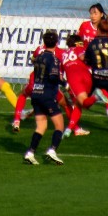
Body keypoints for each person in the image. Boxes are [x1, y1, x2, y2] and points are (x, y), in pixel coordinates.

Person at [22, 30, 65, 166]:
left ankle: (30, 152)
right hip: (47, 95)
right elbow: (53, 77)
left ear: (44, 43)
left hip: (36, 93)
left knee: (41, 126)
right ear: (57, 43)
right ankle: (52, 150)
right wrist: (64, 83)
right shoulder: (54, 59)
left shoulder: (38, 57)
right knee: (59, 125)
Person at [11, 34, 69, 133]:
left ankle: (17, 120)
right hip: (47, 86)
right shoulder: (61, 53)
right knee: (65, 104)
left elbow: (33, 60)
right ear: (57, 42)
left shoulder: (39, 49)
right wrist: (66, 84)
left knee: (23, 95)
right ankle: (74, 128)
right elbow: (59, 72)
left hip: (34, 82)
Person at [61, 31, 98, 138]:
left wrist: (64, 84)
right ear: (78, 43)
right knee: (79, 104)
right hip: (87, 76)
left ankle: (96, 96)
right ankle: (72, 128)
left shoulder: (63, 54)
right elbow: (83, 58)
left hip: (74, 79)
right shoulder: (80, 48)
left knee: (83, 103)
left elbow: (60, 73)